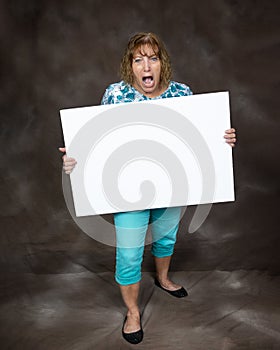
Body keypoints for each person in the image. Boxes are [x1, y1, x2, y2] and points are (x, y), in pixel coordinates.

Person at [59, 32, 236, 344]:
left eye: (152, 57)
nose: (146, 65)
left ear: (161, 62)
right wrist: (75, 159)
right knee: (129, 254)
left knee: (166, 236)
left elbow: (199, 137)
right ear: (131, 65)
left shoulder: (182, 92)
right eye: (138, 59)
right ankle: (132, 312)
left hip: (173, 184)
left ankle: (163, 278)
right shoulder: (115, 94)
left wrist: (222, 140)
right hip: (127, 190)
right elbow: (99, 143)